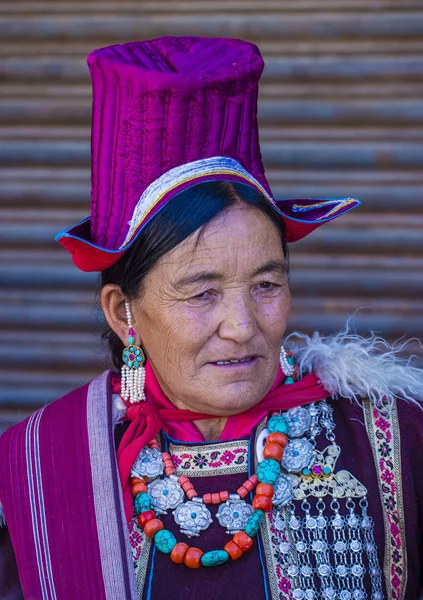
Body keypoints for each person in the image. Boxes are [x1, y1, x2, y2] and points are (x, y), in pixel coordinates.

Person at [0, 36, 422, 600]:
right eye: (202, 293)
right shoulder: (38, 469)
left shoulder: (391, 437)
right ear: (124, 311)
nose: (243, 326)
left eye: (267, 285)